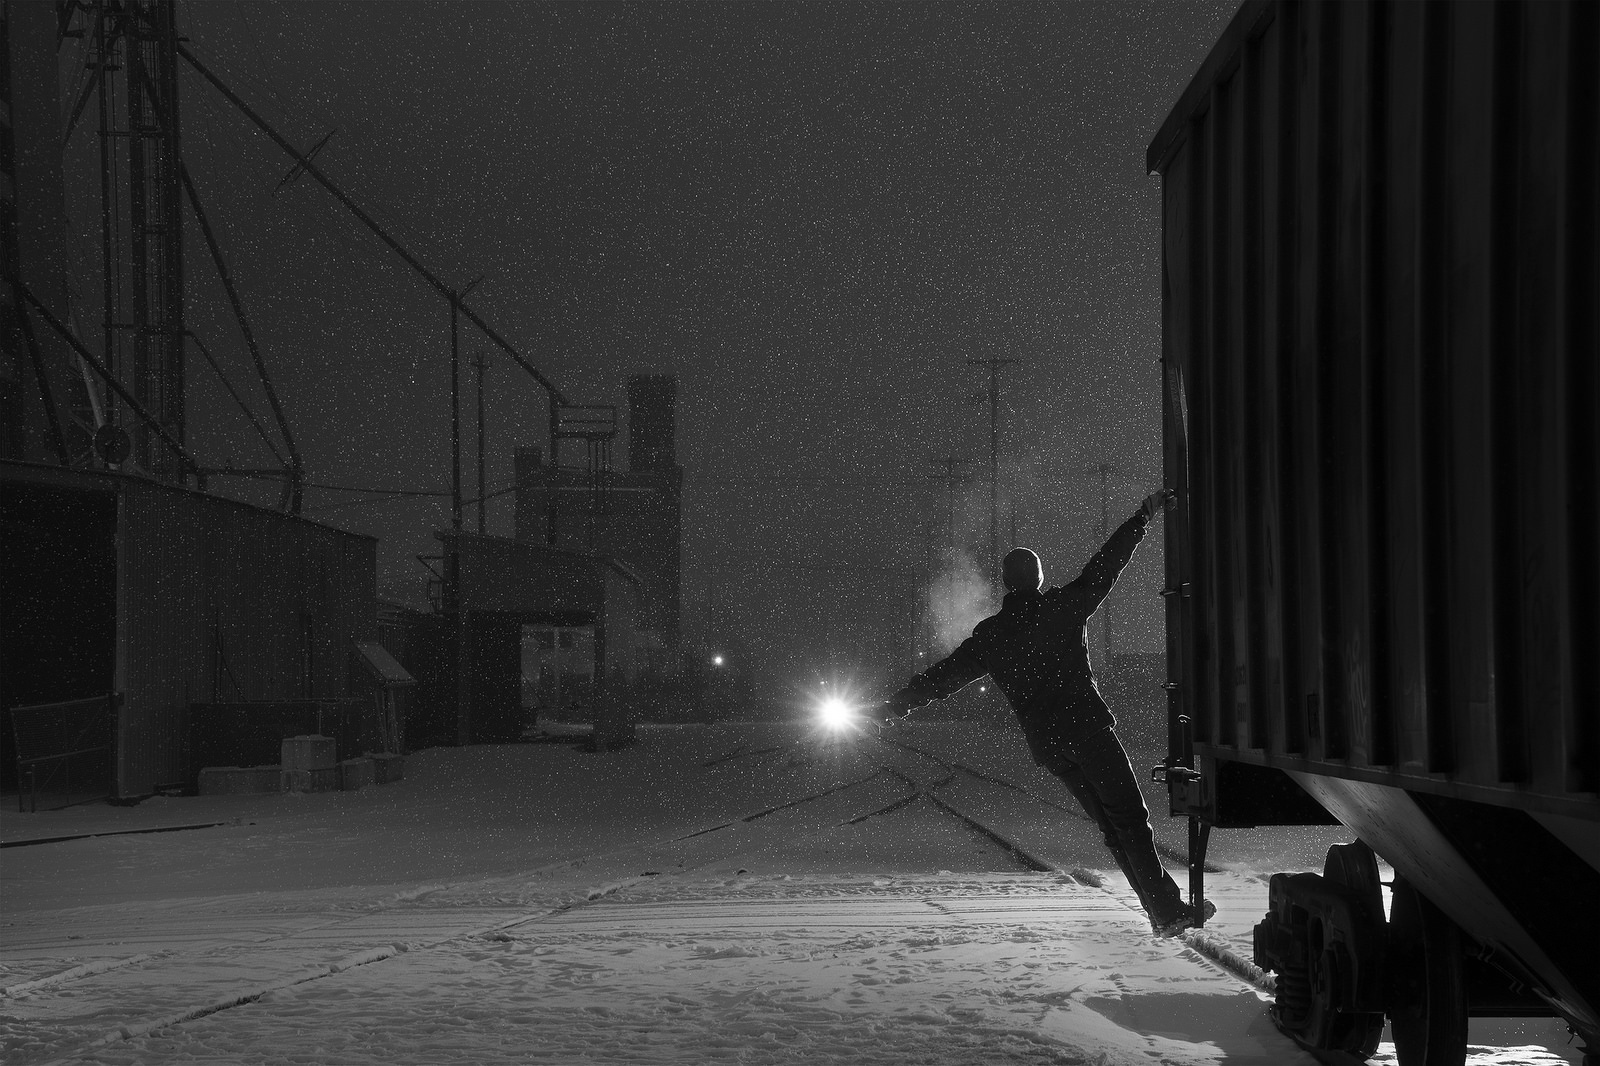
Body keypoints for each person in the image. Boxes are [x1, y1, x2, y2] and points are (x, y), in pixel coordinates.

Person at [878, 487, 1210, 936]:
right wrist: (1140, 520)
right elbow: (1104, 567)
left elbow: (942, 679)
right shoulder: (1063, 608)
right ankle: (1167, 911)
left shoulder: (990, 636)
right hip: (1089, 732)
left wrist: (893, 706)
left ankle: (1160, 911)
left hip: (1051, 749)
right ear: (1037, 577)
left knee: (1112, 830)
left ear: (1005, 583)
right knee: (1130, 820)